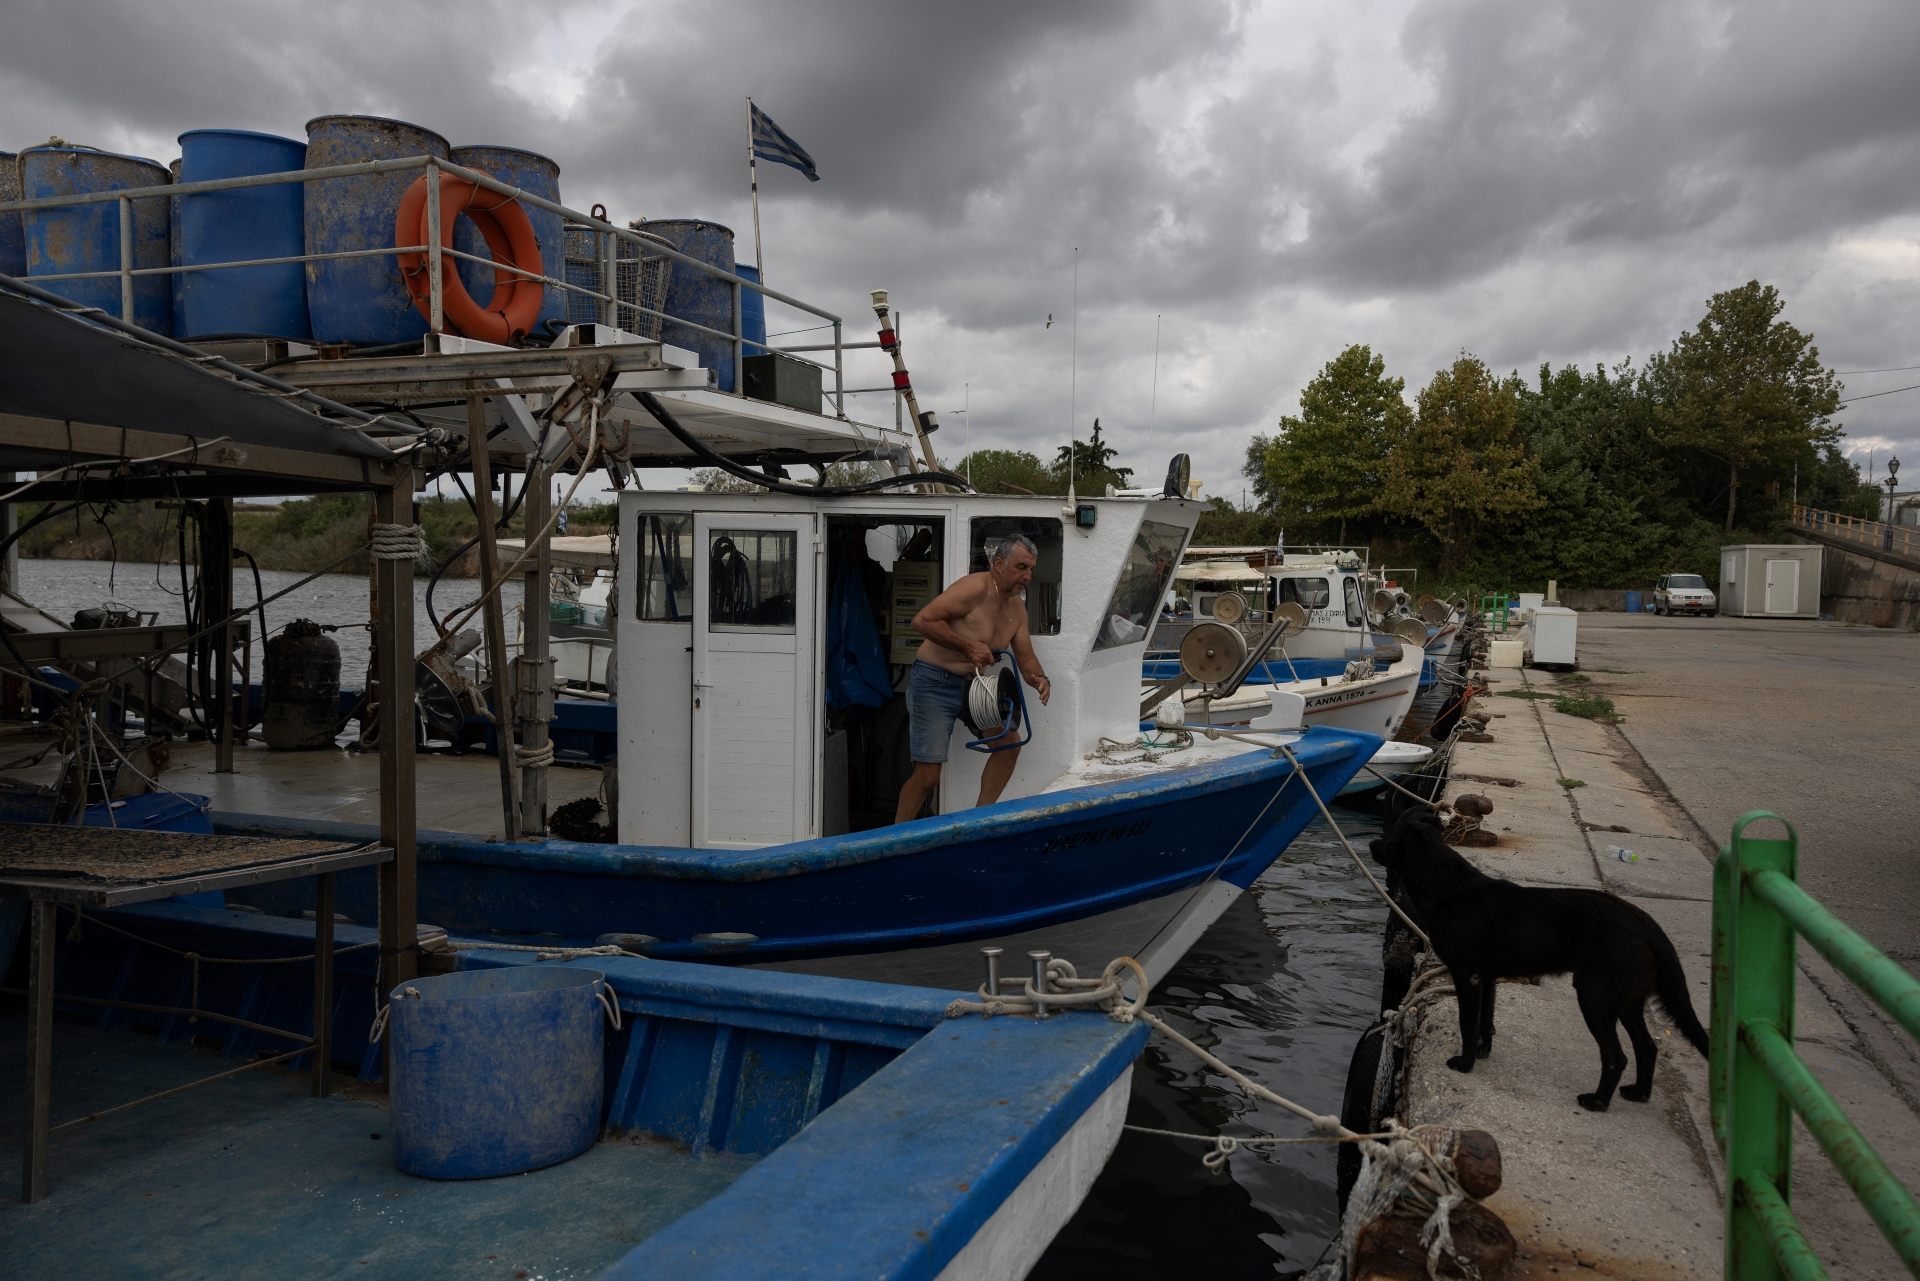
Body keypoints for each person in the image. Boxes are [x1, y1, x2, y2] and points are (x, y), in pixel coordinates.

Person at [894, 534, 1051, 823]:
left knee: (1008, 746)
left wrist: (1040, 678)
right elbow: (922, 621)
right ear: (999, 564)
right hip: (933, 682)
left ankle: (978, 823)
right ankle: (891, 840)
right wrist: (967, 645)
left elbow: (1026, 657)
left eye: (1031, 569)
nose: (1027, 576)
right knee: (928, 776)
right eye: (1021, 567)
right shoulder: (974, 587)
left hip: (974, 687)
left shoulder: (1017, 607)